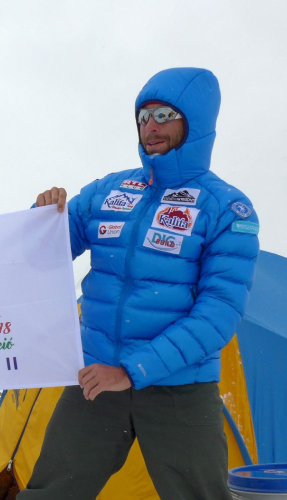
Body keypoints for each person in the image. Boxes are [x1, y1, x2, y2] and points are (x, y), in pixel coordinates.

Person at [17, 68, 260, 500]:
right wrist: (42, 217)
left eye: (165, 115)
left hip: (180, 388)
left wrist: (132, 370)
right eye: (144, 116)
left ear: (196, 123)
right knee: (51, 493)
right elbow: (41, 256)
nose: (151, 126)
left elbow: (218, 314)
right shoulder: (109, 191)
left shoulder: (226, 208)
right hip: (95, 380)